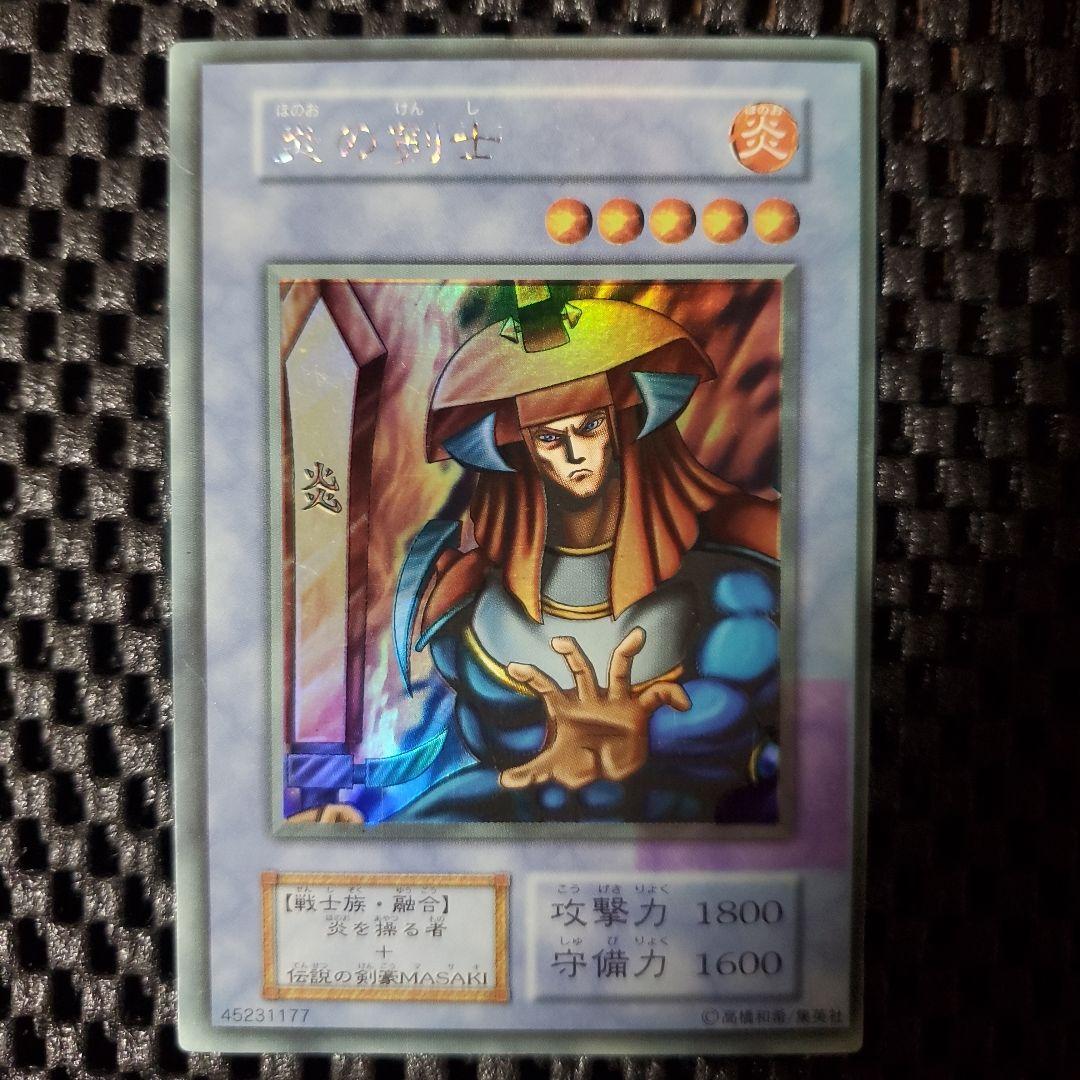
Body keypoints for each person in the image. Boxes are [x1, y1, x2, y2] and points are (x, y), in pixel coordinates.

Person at [387, 284, 781, 823]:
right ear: (523, 449)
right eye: (549, 439)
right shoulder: (465, 604)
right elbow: (484, 775)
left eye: (589, 427)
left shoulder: (732, 580)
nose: (574, 454)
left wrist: (648, 753)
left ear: (621, 425)